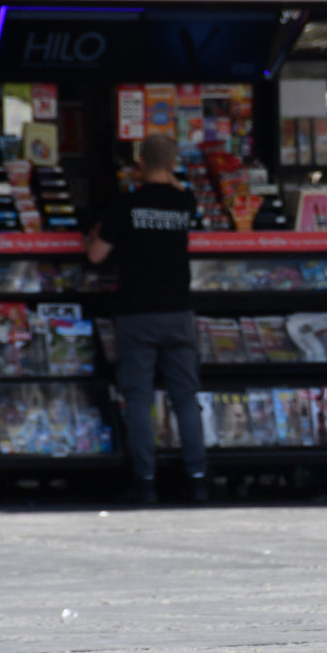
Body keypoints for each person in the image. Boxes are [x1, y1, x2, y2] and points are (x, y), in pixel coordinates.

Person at [87, 134, 208, 504]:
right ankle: (199, 479)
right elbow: (180, 189)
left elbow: (95, 255)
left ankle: (145, 482)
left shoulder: (126, 205)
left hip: (137, 312)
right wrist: (169, 176)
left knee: (138, 397)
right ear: (173, 164)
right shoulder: (184, 202)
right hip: (178, 311)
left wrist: (95, 232)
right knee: (186, 397)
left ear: (138, 163)